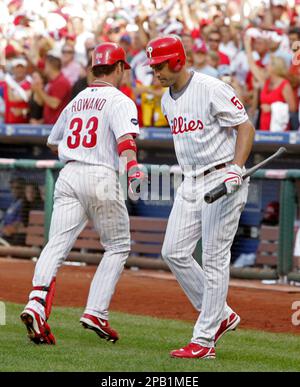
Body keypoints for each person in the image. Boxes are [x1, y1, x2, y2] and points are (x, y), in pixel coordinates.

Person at [20, 42, 145, 345]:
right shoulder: (120, 100)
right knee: (117, 246)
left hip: (69, 174)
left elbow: (53, 141)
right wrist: (132, 173)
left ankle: (36, 301)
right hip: (100, 174)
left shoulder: (76, 101)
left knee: (56, 244)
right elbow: (126, 143)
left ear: (93, 68)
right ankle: (96, 311)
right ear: (117, 68)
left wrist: (78, 148)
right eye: (123, 69)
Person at [146, 35, 255, 359]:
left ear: (177, 61)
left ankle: (205, 339)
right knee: (173, 251)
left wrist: (237, 168)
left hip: (222, 174)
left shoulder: (211, 87)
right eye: (153, 67)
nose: (156, 73)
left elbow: (245, 127)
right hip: (190, 180)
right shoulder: (167, 99)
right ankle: (219, 313)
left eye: (160, 65)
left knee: (214, 258)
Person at [31, 54, 71, 124]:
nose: (44, 68)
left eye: (45, 65)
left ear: (49, 66)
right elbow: (48, 106)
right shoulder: (52, 82)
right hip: (51, 125)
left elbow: (54, 104)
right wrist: (41, 121)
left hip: (57, 127)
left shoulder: (61, 82)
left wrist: (38, 90)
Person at [0, 177, 29, 245]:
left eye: (17, 188)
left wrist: (4, 230)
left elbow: (19, 224)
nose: (14, 190)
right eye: (12, 188)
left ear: (23, 189)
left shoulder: (24, 204)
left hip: (10, 237)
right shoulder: (14, 202)